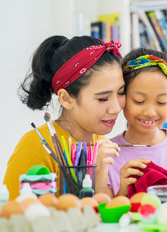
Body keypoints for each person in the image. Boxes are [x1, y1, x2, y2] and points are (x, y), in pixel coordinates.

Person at [3, 35, 126, 200]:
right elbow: (13, 218)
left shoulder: (100, 142)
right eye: (103, 98)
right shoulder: (37, 146)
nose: (117, 108)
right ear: (67, 99)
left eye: (121, 92)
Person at [105, 48, 167, 198]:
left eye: (161, 102)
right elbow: (106, 214)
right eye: (139, 101)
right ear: (122, 97)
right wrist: (122, 193)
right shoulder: (109, 153)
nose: (150, 112)